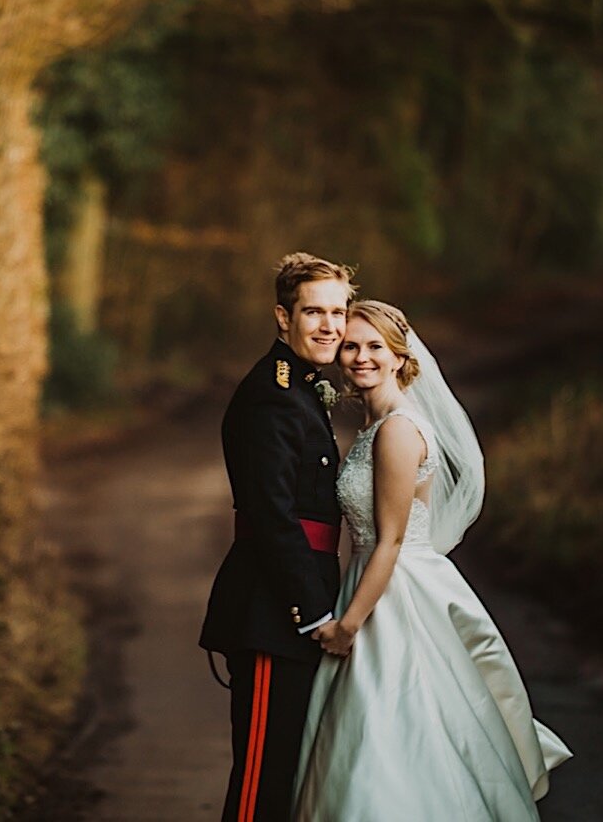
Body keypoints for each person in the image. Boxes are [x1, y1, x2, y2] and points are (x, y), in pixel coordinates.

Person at [293, 300, 571, 820]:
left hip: (391, 591)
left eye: (375, 347)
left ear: (400, 357)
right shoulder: (375, 424)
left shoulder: (398, 430)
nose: (360, 357)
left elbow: (391, 541)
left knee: (392, 732)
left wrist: (349, 624)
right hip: (374, 580)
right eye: (351, 345)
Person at [200, 252, 356, 822]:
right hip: (274, 612)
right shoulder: (272, 394)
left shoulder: (303, 387)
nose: (329, 326)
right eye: (314, 311)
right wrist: (312, 613)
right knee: (260, 786)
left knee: (283, 776)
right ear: (282, 317)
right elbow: (272, 517)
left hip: (294, 605)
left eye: (338, 312)